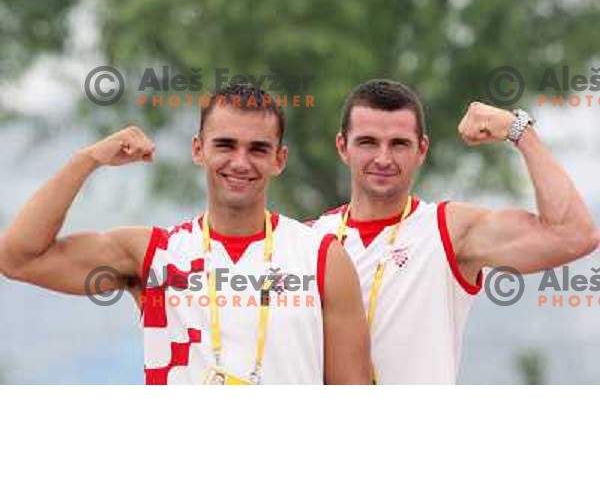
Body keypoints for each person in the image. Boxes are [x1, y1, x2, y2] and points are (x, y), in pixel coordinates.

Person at [0, 83, 370, 385]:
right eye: (225, 145)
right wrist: (89, 159)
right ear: (199, 149)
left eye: (258, 149)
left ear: (279, 160)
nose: (240, 162)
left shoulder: (322, 257)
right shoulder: (153, 254)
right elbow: (18, 258)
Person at [310, 79, 598, 384]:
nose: (383, 158)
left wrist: (518, 130)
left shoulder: (447, 229)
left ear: (421, 150)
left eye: (399, 143)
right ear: (343, 147)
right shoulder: (309, 240)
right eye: (368, 142)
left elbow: (575, 235)